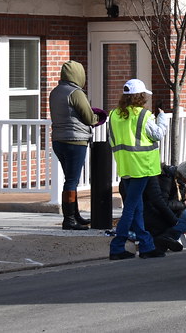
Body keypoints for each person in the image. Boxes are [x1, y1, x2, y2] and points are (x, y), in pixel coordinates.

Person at [108, 78, 168, 260]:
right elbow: (158, 135)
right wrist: (162, 118)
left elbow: (112, 139)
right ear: (141, 96)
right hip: (141, 166)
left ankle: (146, 244)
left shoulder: (113, 115)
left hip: (124, 165)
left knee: (137, 207)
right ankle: (117, 246)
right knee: (131, 208)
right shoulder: (144, 115)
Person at [49, 60, 99, 231]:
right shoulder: (76, 93)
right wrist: (98, 117)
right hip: (75, 141)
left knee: (70, 179)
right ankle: (69, 219)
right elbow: (89, 117)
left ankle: (75, 214)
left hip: (58, 140)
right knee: (72, 181)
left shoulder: (55, 92)